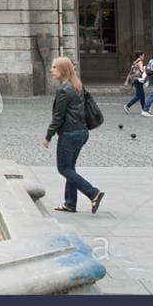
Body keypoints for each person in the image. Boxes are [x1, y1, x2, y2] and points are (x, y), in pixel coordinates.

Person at [44, 56, 104, 214]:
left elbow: (58, 117)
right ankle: (70, 203)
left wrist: (48, 136)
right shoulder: (77, 85)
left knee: (63, 168)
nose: (52, 70)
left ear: (63, 70)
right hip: (82, 132)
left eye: (54, 67)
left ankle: (93, 192)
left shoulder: (64, 90)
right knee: (70, 167)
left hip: (70, 133)